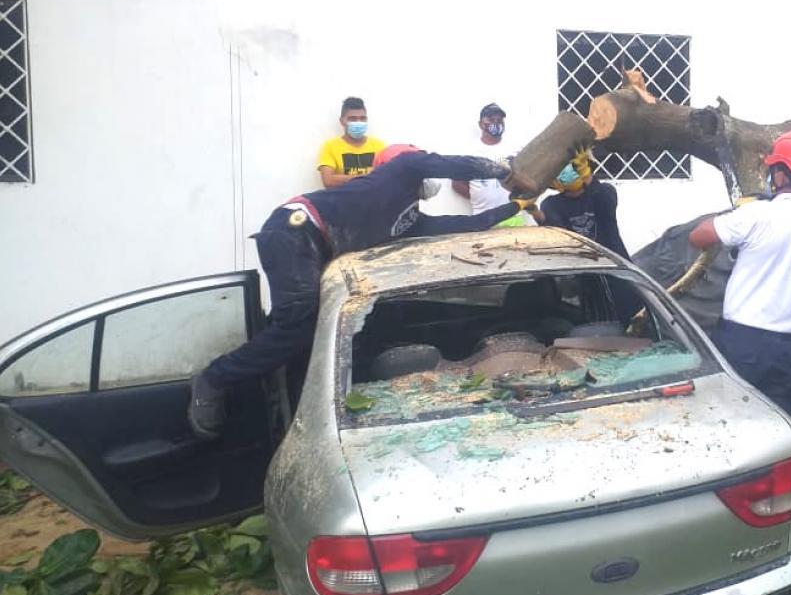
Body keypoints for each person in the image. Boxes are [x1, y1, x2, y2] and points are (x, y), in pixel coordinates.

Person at [188, 146, 531, 439]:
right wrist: (504, 169)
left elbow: (466, 225)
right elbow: (445, 163)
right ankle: (214, 378)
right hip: (296, 230)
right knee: (299, 325)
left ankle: (278, 402)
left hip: (317, 247)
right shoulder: (401, 169)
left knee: (309, 334)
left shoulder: (412, 223)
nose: (433, 177)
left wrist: (516, 205)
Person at [686, 130, 791, 414]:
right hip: (790, 352)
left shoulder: (756, 215)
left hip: (740, 345)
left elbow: (698, 237)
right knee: (779, 431)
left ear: (781, 175)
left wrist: (737, 214)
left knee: (728, 422)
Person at [539, 149, 641, 323]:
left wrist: (587, 177)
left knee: (633, 320)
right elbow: (558, 230)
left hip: (618, 270)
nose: (567, 172)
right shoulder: (551, 204)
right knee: (596, 323)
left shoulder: (604, 192)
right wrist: (533, 211)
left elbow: (605, 204)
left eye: (571, 167)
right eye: (560, 170)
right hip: (584, 277)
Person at [452, 103, 537, 226]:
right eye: (490, 120)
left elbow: (529, 177)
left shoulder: (516, 148)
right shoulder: (469, 152)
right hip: (483, 217)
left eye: (500, 120)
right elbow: (457, 184)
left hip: (515, 216)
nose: (496, 123)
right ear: (481, 124)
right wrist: (480, 198)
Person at [317, 97, 387, 188]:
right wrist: (368, 178)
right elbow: (328, 181)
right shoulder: (330, 146)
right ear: (342, 121)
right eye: (352, 119)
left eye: (362, 118)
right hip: (343, 200)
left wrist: (345, 178)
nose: (359, 122)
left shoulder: (379, 146)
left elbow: (387, 177)